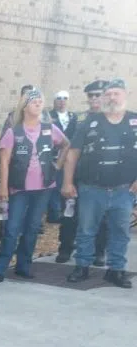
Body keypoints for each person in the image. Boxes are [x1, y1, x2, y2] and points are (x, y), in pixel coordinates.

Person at [0, 90, 70, 281]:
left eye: (40, 101)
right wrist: (3, 187)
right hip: (19, 189)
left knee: (32, 228)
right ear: (24, 107)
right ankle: (0, 267)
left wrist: (58, 165)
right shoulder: (13, 132)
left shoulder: (49, 129)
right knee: (12, 228)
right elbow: (4, 161)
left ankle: (24, 266)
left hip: (44, 188)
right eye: (34, 102)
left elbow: (66, 144)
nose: (38, 104)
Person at [63, 78, 137, 288]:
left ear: (125, 95)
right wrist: (67, 182)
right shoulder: (89, 122)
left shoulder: (135, 120)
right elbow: (73, 153)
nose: (112, 98)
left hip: (124, 190)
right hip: (91, 188)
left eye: (116, 93)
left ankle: (116, 270)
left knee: (120, 232)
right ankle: (82, 267)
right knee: (86, 231)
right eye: (108, 94)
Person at [56, 80, 109, 264]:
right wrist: (62, 172)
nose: (94, 98)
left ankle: (99, 251)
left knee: (101, 216)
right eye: (90, 95)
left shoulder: (113, 119)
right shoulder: (78, 119)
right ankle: (65, 248)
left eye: (98, 95)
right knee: (69, 214)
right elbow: (68, 145)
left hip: (102, 177)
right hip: (77, 175)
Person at [47, 90, 78, 223]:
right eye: (59, 98)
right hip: (54, 156)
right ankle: (54, 214)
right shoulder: (48, 116)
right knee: (54, 185)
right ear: (54, 101)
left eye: (65, 98)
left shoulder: (74, 116)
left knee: (69, 182)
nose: (62, 101)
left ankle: (67, 213)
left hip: (71, 157)